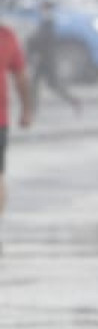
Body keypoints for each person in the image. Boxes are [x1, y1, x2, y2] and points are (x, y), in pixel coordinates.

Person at [0, 16, 32, 237]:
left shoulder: (7, 36)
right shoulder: (6, 36)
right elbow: (21, 77)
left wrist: (27, 109)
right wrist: (26, 110)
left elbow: (21, 76)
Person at [29, 0, 80, 116]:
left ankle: (74, 101)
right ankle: (32, 110)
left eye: (44, 8)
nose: (42, 11)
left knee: (50, 85)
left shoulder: (49, 22)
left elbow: (42, 40)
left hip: (45, 60)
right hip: (44, 59)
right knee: (38, 84)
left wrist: (33, 47)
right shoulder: (46, 22)